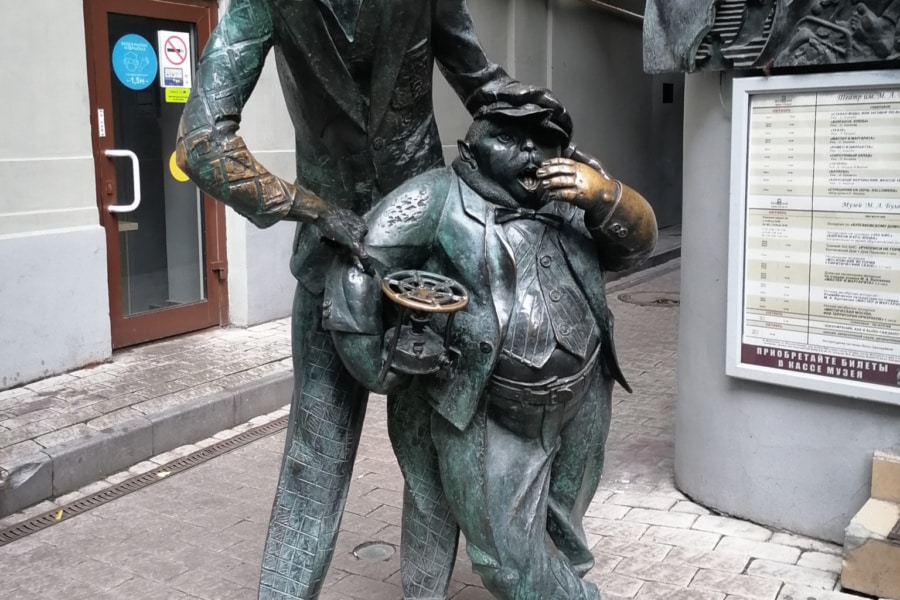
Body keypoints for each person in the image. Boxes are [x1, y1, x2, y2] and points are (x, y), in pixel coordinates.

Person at [175, 1, 573, 598]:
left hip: (427, 266)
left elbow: (483, 85)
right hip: (327, 261)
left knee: (428, 462)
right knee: (315, 457)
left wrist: (547, 136)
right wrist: (312, 207)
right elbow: (202, 144)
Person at [324, 103, 657, 599]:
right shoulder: (438, 195)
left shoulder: (572, 192)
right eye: (509, 138)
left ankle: (558, 584)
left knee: (562, 528)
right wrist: (378, 366)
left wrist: (607, 195)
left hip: (583, 395)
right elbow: (356, 264)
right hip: (488, 409)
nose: (530, 150)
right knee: (504, 564)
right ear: (471, 151)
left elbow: (635, 248)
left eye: (542, 140)